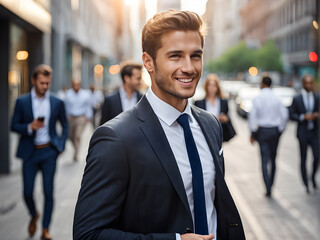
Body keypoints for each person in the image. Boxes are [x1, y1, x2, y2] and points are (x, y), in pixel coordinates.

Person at [74, 10, 245, 240]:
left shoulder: (210, 125)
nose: (189, 68)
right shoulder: (116, 139)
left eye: (196, 55)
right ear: (148, 62)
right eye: (175, 56)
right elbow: (88, 235)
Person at [11, 64, 68, 240]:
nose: (45, 86)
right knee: (27, 192)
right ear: (33, 80)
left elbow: (65, 125)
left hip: (49, 153)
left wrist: (61, 145)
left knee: (48, 192)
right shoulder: (22, 102)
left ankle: (45, 229)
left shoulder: (57, 102)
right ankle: (34, 213)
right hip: (30, 153)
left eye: (47, 83)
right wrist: (30, 127)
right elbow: (13, 125)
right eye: (42, 83)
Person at [248, 75, 288, 197]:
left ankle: (267, 187)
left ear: (262, 84)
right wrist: (280, 129)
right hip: (274, 130)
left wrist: (252, 132)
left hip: (262, 131)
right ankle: (271, 184)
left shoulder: (257, 98)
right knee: (274, 159)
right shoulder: (277, 98)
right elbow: (284, 115)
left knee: (264, 160)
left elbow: (252, 116)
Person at [289, 74, 319, 193]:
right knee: (303, 158)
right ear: (303, 84)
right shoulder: (297, 98)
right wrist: (303, 117)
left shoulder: (317, 97)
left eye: (311, 83)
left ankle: (312, 177)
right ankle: (306, 183)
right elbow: (291, 114)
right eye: (307, 83)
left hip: (314, 132)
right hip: (303, 132)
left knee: (317, 157)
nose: (309, 85)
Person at [194, 74, 236, 142]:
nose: (212, 88)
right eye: (209, 85)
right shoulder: (199, 103)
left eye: (214, 85)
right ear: (206, 86)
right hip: (204, 135)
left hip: (219, 134)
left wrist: (225, 118)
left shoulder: (223, 102)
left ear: (217, 87)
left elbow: (227, 116)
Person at [64, 79, 92, 161]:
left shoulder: (85, 94)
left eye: (78, 85)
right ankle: (76, 148)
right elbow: (66, 106)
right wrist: (66, 116)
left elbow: (88, 106)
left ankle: (76, 153)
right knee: (71, 136)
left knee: (77, 136)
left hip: (81, 118)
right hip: (71, 118)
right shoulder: (68, 94)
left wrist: (88, 116)